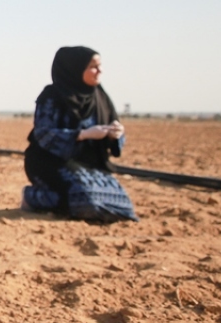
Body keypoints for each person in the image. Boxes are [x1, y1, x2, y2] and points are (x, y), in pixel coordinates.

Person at [21, 46, 138, 222]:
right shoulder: (52, 96)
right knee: (84, 200)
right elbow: (44, 134)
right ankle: (32, 197)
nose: (99, 71)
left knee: (122, 205)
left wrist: (116, 135)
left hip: (87, 162)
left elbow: (113, 130)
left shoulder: (100, 97)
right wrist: (81, 134)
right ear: (75, 68)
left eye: (100, 66)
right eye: (93, 67)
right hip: (51, 162)